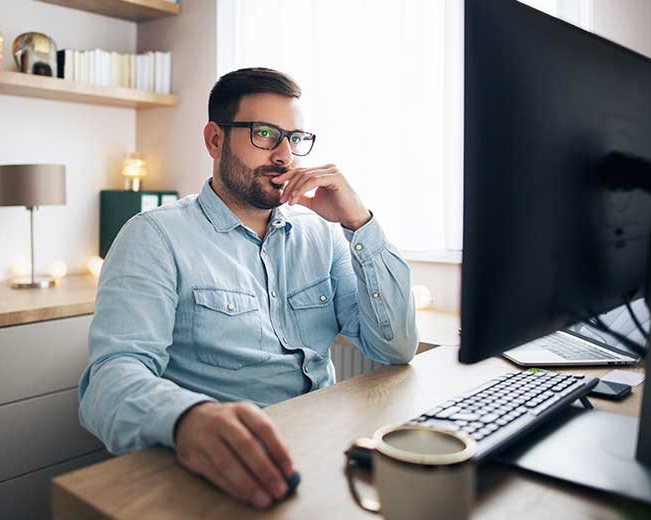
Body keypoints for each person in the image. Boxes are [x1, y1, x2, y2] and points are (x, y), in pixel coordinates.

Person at [78, 67, 418, 509]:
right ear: (215, 140)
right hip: (223, 471)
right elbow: (109, 382)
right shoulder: (153, 237)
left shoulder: (323, 232)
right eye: (265, 134)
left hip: (325, 451)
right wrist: (186, 419)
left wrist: (359, 222)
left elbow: (395, 348)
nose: (284, 156)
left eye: (294, 138)